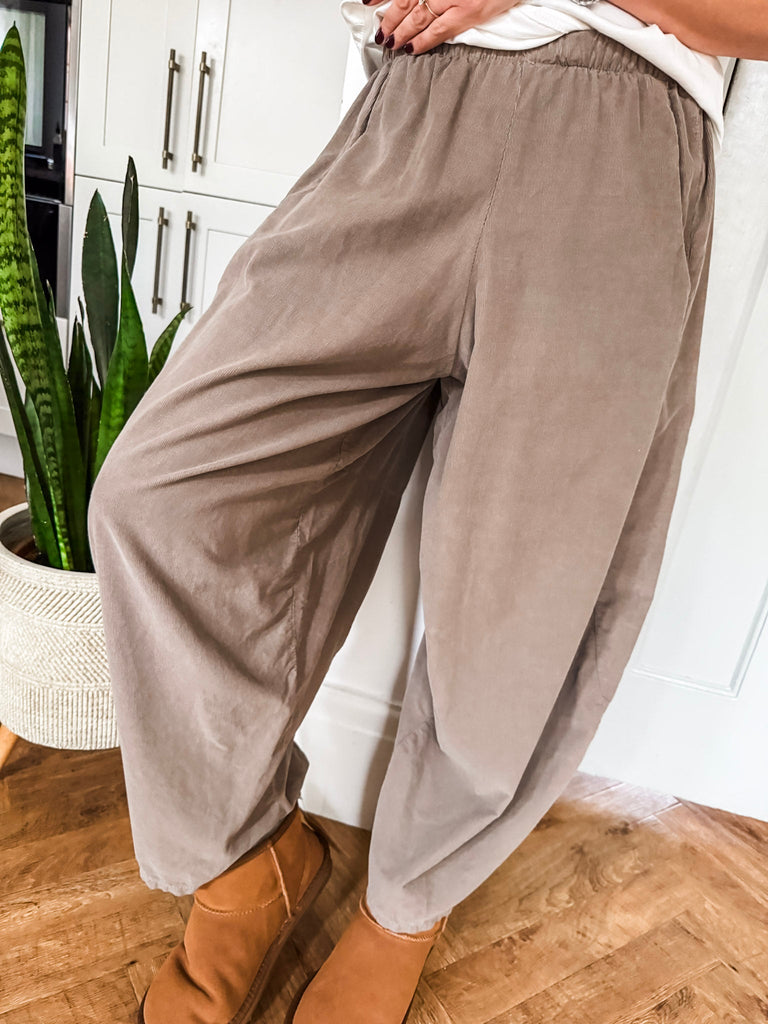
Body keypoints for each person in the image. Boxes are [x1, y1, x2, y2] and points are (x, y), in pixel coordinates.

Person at [85, 1, 763, 1022]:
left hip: (622, 139)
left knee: (523, 620)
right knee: (160, 500)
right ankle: (245, 867)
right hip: (411, 105)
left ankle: (404, 911)